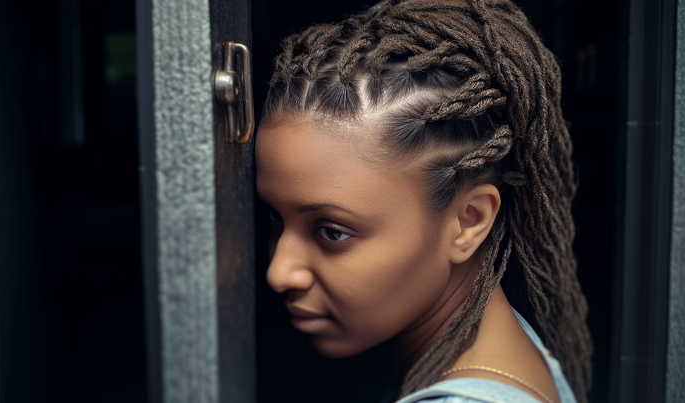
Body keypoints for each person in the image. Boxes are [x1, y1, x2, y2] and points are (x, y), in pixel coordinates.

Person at [254, 0, 593, 402]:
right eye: (276, 215)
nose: (279, 272)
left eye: (331, 232)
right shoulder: (499, 338)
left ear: (468, 221)